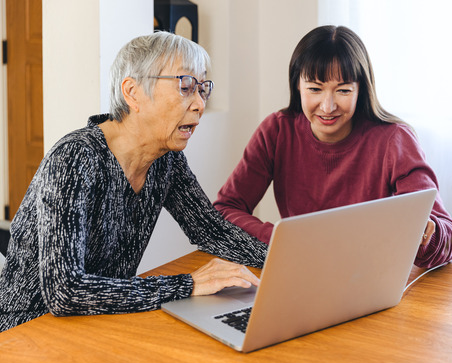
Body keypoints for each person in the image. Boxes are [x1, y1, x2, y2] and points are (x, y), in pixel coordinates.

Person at [0, 32, 267, 333]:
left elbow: (213, 232)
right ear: (133, 92)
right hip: (26, 335)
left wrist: (283, 264)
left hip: (99, 323)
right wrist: (189, 284)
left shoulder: (166, 160)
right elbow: (66, 291)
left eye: (203, 89)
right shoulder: (75, 157)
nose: (199, 104)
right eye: (186, 86)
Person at [213, 25, 452, 268]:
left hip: (370, 275)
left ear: (360, 90)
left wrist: (428, 233)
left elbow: (449, 237)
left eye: (343, 90)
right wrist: (280, 238)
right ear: (297, 85)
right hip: (302, 268)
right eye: (314, 89)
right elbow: (225, 209)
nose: (327, 106)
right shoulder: (277, 130)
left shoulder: (394, 139)